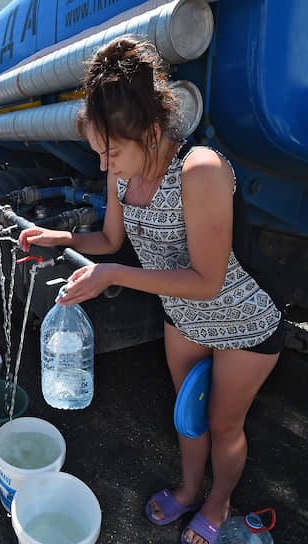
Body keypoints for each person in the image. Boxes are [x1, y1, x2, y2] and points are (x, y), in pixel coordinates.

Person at [19, 37, 285, 544]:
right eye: (99, 153)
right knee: (188, 412)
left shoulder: (199, 169)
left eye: (112, 151)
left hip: (241, 317)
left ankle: (218, 499)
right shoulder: (123, 176)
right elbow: (112, 240)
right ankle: (188, 490)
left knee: (223, 423)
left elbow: (208, 281)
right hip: (183, 312)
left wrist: (113, 275)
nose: (105, 166)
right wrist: (62, 239)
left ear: (154, 131)